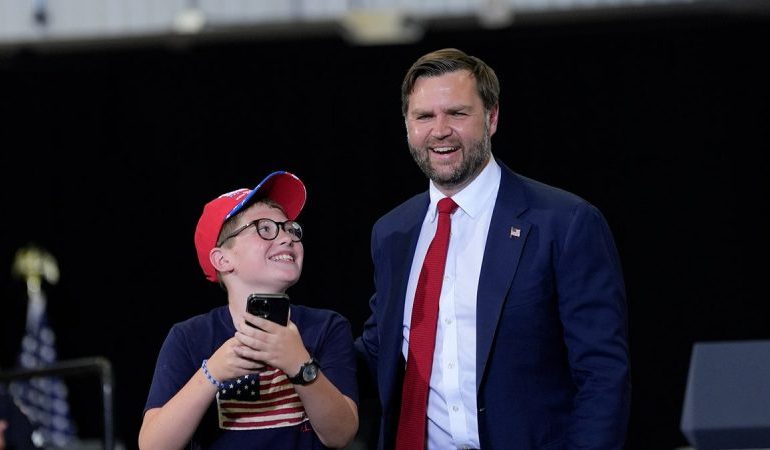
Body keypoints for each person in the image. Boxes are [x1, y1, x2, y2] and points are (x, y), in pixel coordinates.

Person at [355, 48, 631, 449]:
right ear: (407, 125)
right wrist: (298, 350)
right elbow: (378, 352)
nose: (440, 130)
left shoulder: (565, 222)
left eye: (458, 113)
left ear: (492, 118)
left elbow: (602, 374)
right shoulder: (392, 232)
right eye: (425, 116)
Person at [139, 171, 359, 450]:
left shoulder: (326, 326)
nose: (288, 238)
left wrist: (299, 364)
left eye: (291, 228)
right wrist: (212, 374)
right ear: (222, 258)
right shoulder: (190, 337)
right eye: (265, 229)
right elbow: (153, 445)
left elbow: (341, 434)